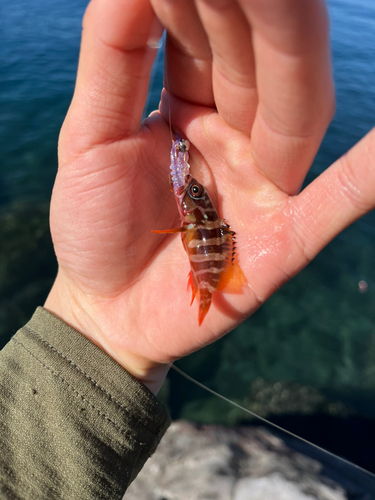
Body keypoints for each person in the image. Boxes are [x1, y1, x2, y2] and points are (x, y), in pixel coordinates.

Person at [1, 0, 374, 498]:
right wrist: (102, 333)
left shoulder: (194, 217)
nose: (193, 194)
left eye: (195, 196)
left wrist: (102, 336)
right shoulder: (197, 215)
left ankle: (201, 291)